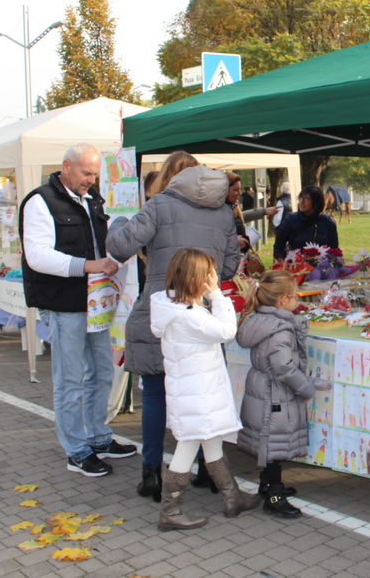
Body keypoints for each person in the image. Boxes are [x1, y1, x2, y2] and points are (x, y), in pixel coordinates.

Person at [106, 151, 240, 500]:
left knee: (155, 395)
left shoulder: (159, 205)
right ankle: (209, 471)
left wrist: (118, 222)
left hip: (162, 312)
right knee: (206, 396)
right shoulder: (223, 212)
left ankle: (152, 473)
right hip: (202, 313)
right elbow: (228, 268)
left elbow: (119, 246)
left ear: (169, 177)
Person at [19, 143, 137, 477]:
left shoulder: (91, 199)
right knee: (69, 379)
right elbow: (37, 256)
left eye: (95, 174)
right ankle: (76, 449)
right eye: (86, 173)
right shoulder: (40, 201)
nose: (91, 180)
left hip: (96, 302)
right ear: (66, 166)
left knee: (101, 372)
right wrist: (89, 265)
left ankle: (99, 437)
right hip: (64, 302)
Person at [150, 248, 262, 530]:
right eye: (209, 276)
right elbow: (226, 331)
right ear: (195, 280)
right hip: (197, 393)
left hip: (194, 389)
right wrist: (217, 296)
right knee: (188, 445)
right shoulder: (189, 315)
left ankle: (232, 497)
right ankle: (170, 510)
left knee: (211, 440)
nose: (213, 280)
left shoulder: (176, 307)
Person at [235, 269, 316, 517]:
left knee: (268, 439)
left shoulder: (259, 320)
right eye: (295, 295)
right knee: (275, 441)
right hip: (275, 393)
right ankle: (274, 495)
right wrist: (306, 387)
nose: (297, 299)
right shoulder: (280, 329)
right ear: (283, 300)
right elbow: (284, 368)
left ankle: (266, 484)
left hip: (262, 387)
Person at [273, 186, 339, 260]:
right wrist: (281, 261)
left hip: (321, 263)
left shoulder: (327, 221)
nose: (302, 201)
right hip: (295, 263)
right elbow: (279, 245)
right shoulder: (291, 219)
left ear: (316, 202)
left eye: (306, 198)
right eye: (301, 197)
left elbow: (333, 249)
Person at [226, 172, 278, 255]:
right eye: (236, 190)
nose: (240, 193)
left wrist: (264, 211)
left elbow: (242, 216)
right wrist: (232, 241)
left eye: (240, 189)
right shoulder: (219, 211)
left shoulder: (232, 207)